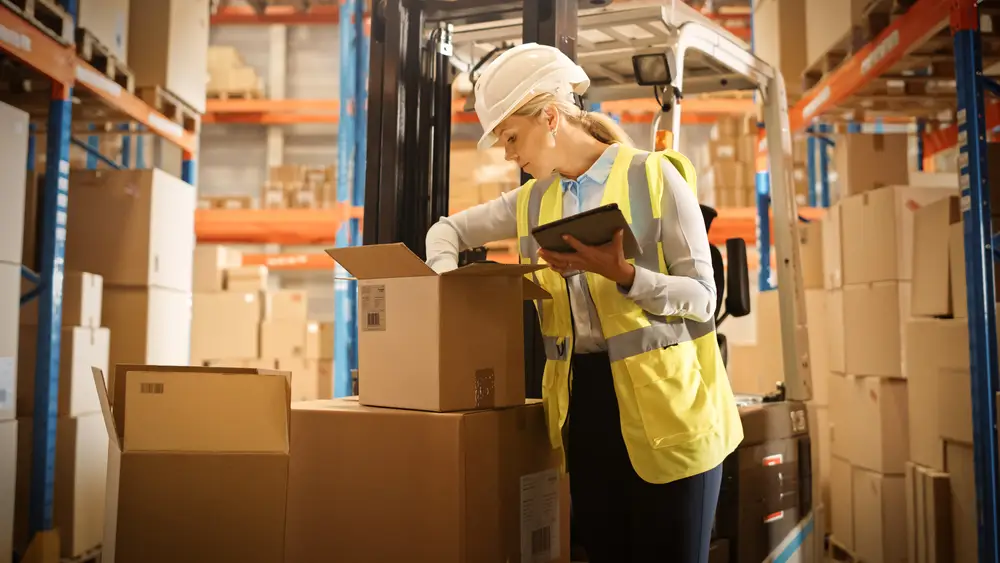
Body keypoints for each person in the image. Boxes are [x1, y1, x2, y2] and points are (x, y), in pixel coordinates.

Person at [425, 43, 744, 563]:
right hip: (586, 414)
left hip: (673, 414)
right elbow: (446, 231)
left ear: (549, 116)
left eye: (511, 137)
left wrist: (624, 275)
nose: (508, 154)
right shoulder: (533, 201)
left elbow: (704, 300)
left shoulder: (653, 176)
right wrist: (445, 287)